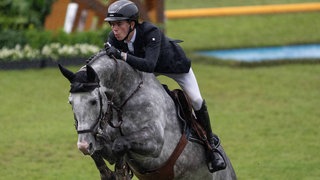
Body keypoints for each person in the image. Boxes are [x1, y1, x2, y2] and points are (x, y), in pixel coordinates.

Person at [104, 0, 226, 172]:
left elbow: (149, 65)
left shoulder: (150, 32)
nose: (114, 29)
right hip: (147, 72)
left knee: (197, 100)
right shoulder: (114, 38)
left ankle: (211, 148)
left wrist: (122, 56)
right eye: (112, 25)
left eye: (118, 24)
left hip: (174, 67)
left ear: (132, 24)